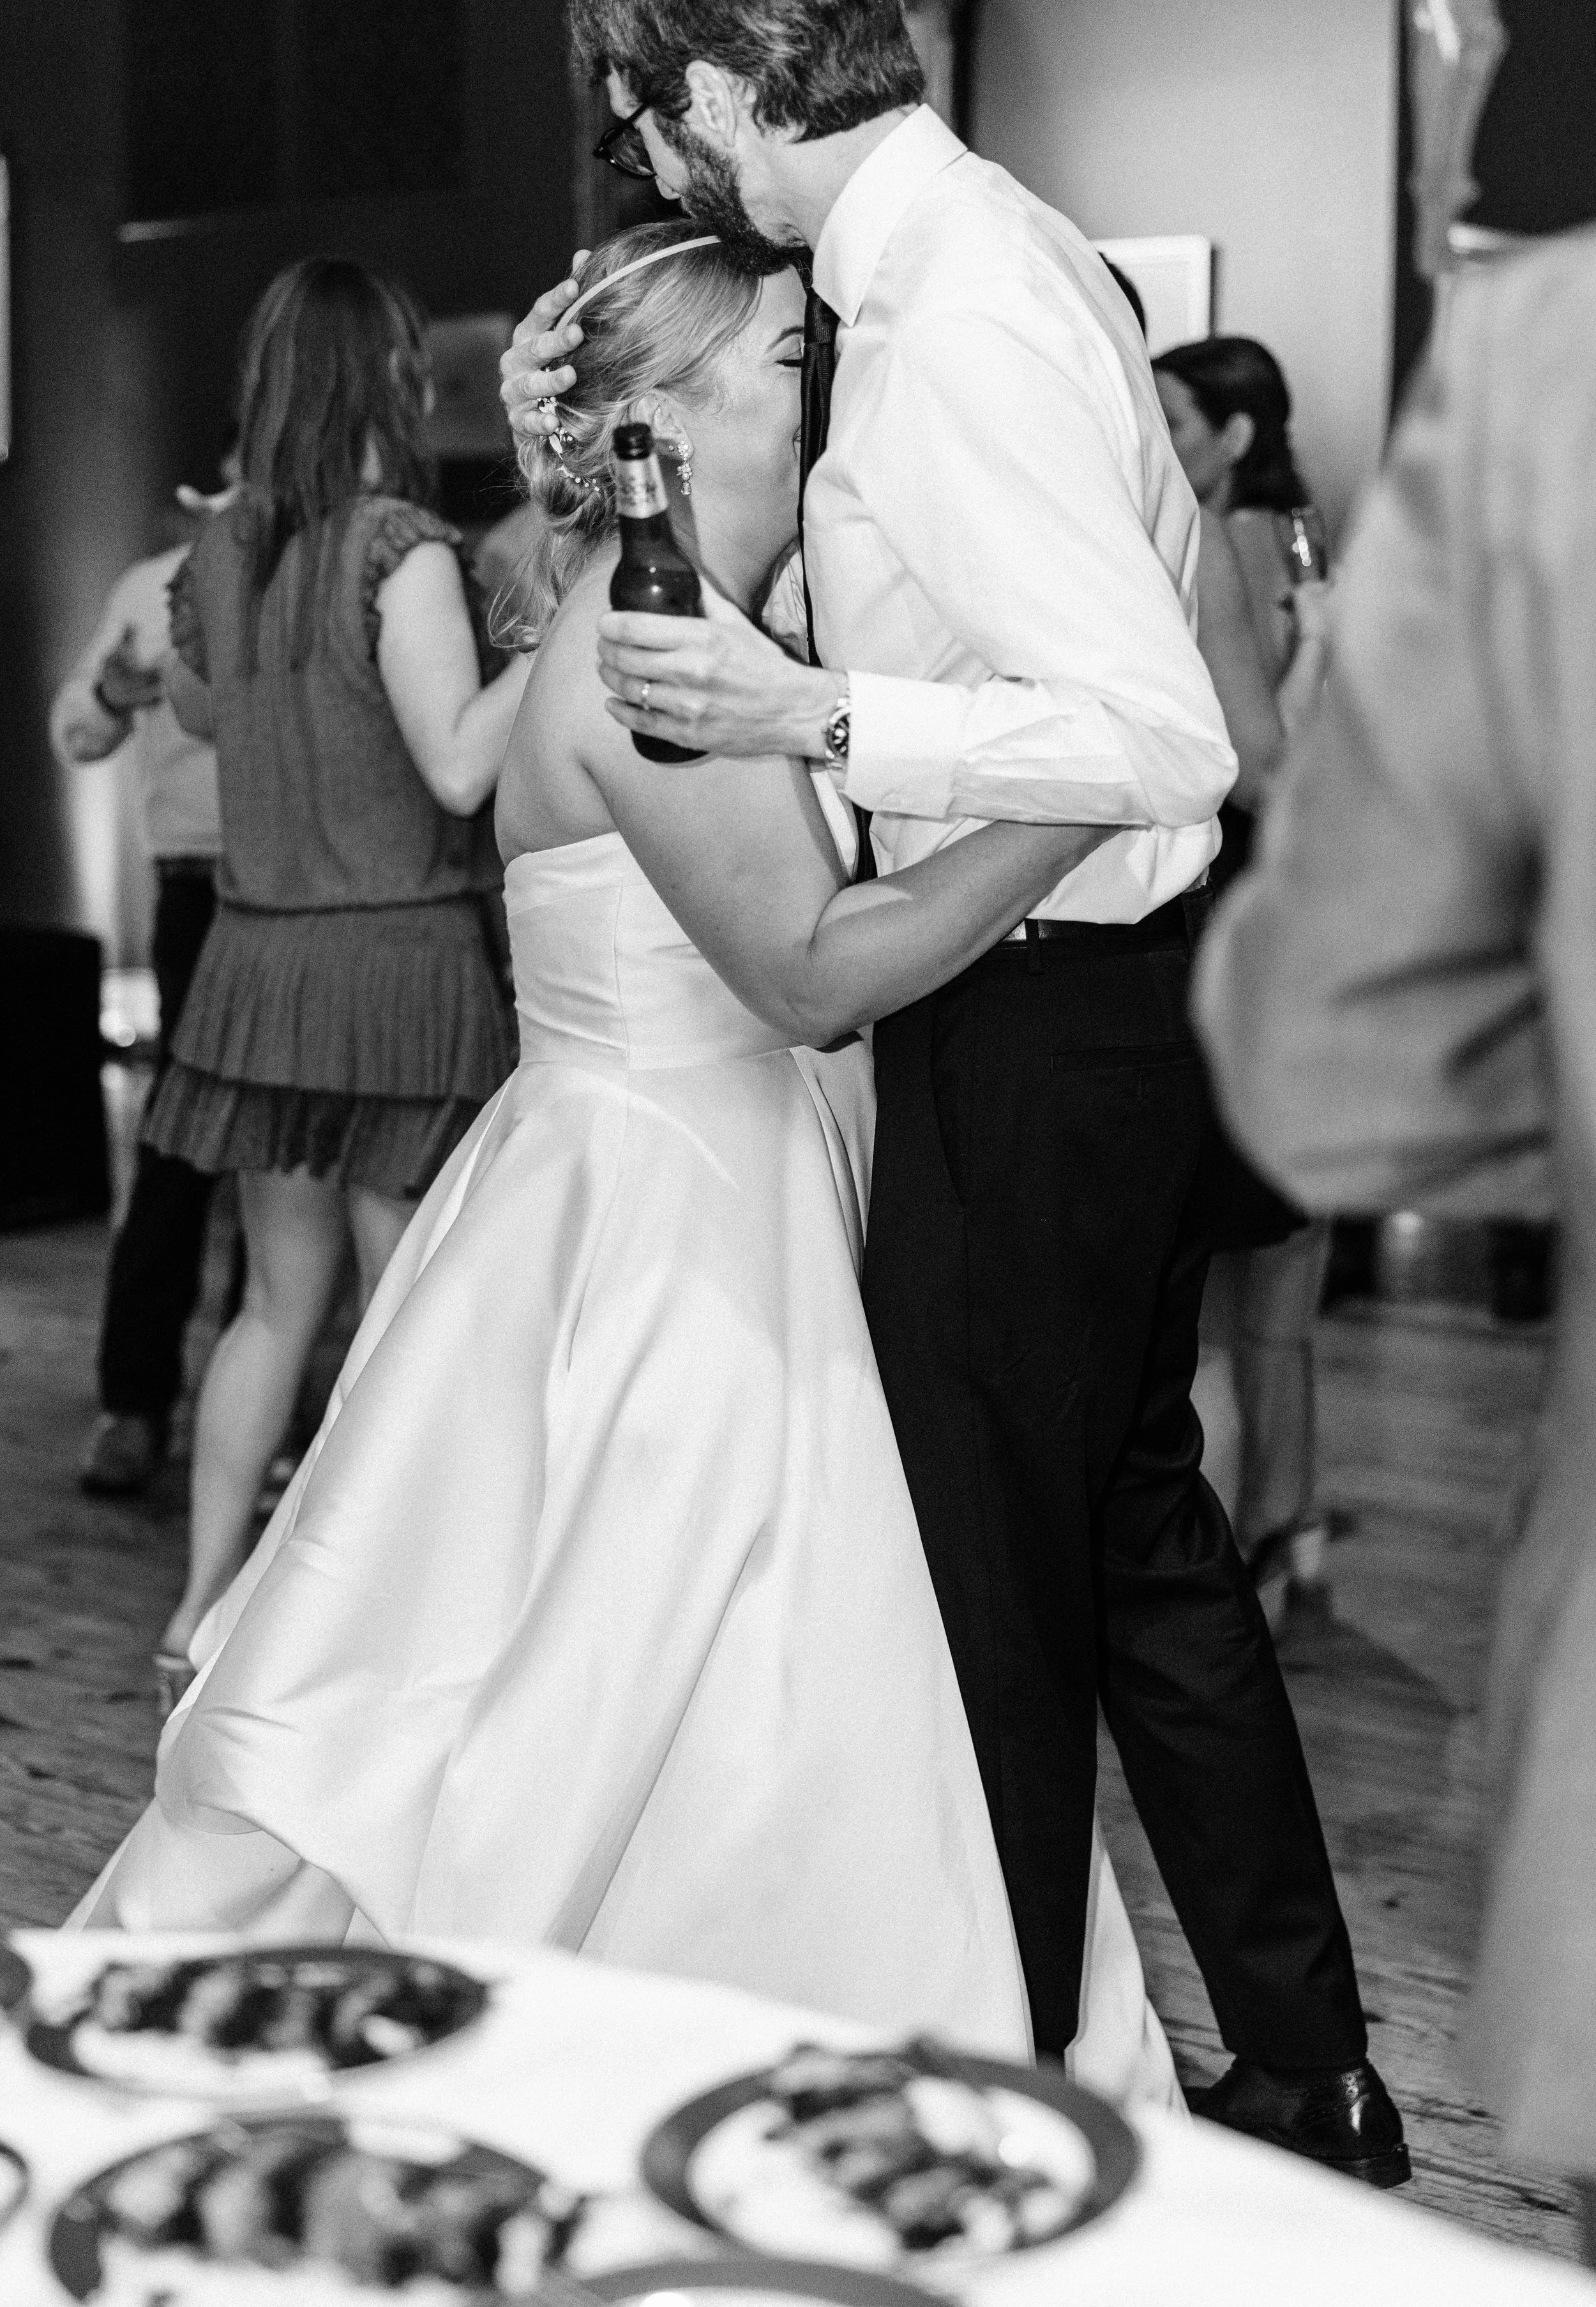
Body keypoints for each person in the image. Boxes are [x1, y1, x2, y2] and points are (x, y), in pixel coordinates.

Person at [73, 224, 1179, 2106]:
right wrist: (1091, 779)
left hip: (682, 1171)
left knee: (685, 1671)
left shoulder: (707, 624)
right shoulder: (641, 647)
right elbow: (810, 974)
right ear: (659, 417)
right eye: (773, 357)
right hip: (671, 1233)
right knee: (676, 1661)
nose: (812, 385)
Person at [501, 0, 1405, 2182]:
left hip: (1049, 1023)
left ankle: (1002, 2118)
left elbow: (1157, 727)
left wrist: (818, 715)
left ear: (718, 89)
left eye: (641, 108)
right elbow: (987, 615)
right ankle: (1302, 2059)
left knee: (987, 1580)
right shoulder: (953, 264)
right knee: (1129, 1537)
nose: (640, 149)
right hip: (1097, 1009)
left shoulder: (968, 303)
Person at [1193, 224, 1596, 2264]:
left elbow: (1344, 1072)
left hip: (1302, 911)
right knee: (1270, 1329)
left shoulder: (1548, 368)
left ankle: (1292, 1535)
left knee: (1259, 1307)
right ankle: (1302, 1531)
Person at [145, 258, 528, 1703]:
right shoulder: (402, 548)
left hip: (257, 963)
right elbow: (456, 760)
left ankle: (197, 1609)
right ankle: (368, 1624)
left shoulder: (218, 552)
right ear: (389, 375)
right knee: (401, 1314)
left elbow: (191, 703)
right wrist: (556, 641)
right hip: (395, 967)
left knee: (269, 1307)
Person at [1151, 338, 1336, 1619]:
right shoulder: (1283, 530)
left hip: (1253, 915)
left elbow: (1264, 756)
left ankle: (1262, 1543)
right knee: (1273, 1282)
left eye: (1174, 417)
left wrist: (1319, 647)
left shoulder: (1244, 538)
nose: (1157, 436)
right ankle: (1292, 1527)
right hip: (1289, 915)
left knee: (1242, 1282)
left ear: (1230, 431)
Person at [49, 462, 239, 1500]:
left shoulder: (325, 568)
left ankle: (286, 1410)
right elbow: (76, 727)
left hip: (309, 885)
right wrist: (116, 691)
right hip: (198, 892)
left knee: (286, 1150)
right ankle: (135, 1401)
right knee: (179, 1138)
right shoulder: (151, 588)